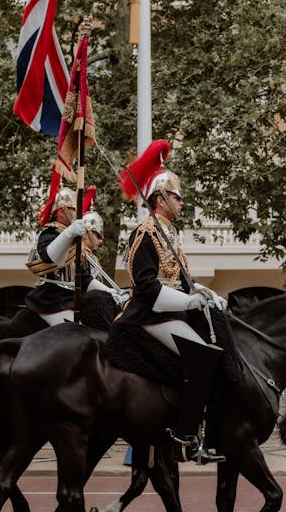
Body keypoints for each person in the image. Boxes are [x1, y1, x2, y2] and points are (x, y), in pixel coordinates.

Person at [117, 140, 226, 465]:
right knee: (203, 358)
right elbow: (147, 286)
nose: (182, 202)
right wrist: (191, 302)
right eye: (177, 197)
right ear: (160, 199)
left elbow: (182, 280)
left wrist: (205, 293)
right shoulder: (146, 232)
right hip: (150, 314)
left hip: (171, 310)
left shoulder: (168, 233)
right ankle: (187, 437)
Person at [24, 185, 123, 326]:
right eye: (74, 209)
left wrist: (111, 292)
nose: (78, 213)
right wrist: (68, 233)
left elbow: (84, 278)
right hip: (53, 299)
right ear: (61, 211)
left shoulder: (72, 240)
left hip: (72, 298)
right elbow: (51, 258)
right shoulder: (50, 232)